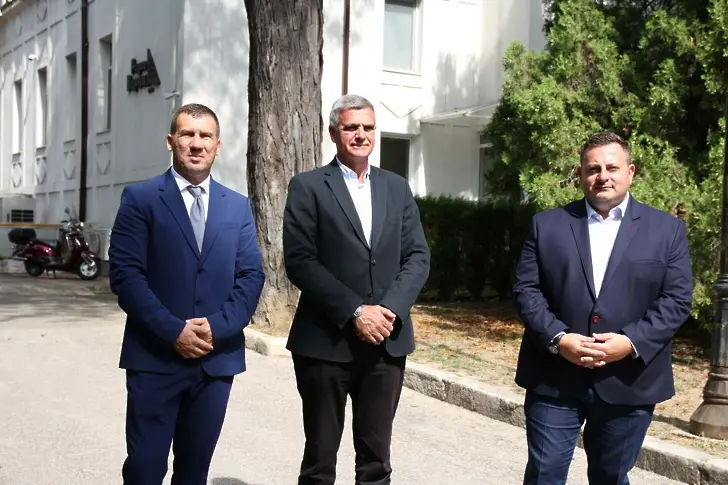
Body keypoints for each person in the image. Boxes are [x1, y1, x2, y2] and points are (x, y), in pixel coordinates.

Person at [513, 131, 693, 485]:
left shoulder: (666, 230)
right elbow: (526, 290)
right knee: (545, 474)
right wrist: (558, 338)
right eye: (593, 168)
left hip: (628, 379)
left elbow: (676, 299)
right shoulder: (546, 225)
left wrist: (630, 342)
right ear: (580, 174)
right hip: (555, 376)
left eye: (612, 167)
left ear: (631, 172)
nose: (602, 176)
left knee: (610, 477)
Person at [108, 103, 265, 485]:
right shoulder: (141, 198)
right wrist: (173, 331)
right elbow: (126, 276)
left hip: (215, 361)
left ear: (217, 145)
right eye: (187, 134)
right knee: (145, 468)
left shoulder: (237, 206)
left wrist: (216, 327)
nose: (197, 144)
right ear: (170, 141)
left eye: (205, 136)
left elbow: (250, 275)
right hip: (155, 357)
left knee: (194, 472)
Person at [282, 94, 430, 485]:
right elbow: (300, 260)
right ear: (334, 133)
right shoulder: (308, 187)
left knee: (376, 463)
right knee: (319, 461)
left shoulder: (396, 188)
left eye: (367, 127)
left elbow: (418, 257)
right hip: (324, 344)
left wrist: (389, 310)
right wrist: (356, 312)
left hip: (385, 344)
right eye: (351, 127)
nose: (360, 134)